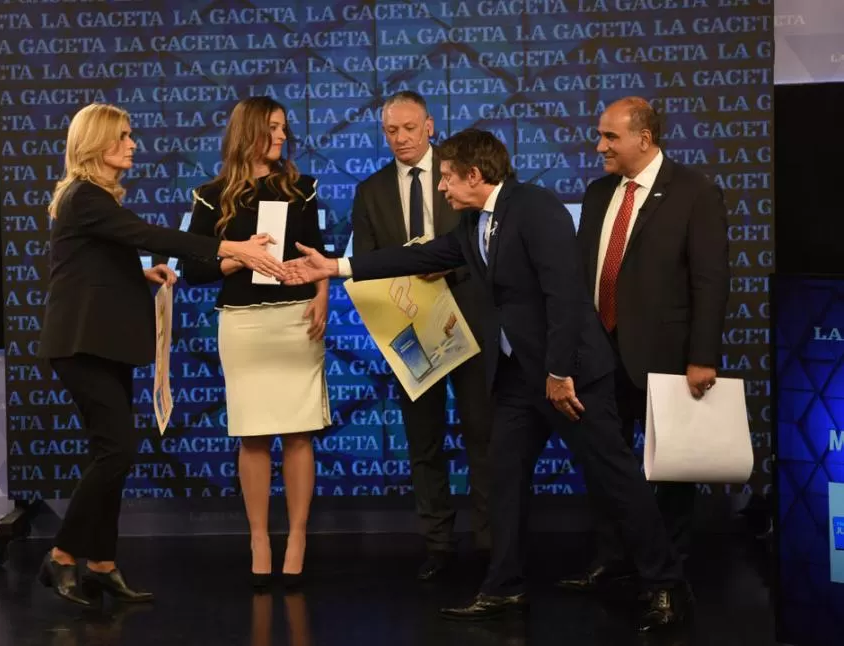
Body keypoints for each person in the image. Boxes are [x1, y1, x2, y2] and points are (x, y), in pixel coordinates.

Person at [282, 128, 688, 632]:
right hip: (518, 377)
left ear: (475, 175)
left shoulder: (535, 208)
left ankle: (665, 584)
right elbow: (422, 256)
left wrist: (560, 372)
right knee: (504, 477)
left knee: (617, 478)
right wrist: (337, 267)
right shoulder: (477, 221)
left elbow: (564, 296)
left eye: (448, 178)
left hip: (570, 373)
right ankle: (505, 587)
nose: (442, 188)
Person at [36, 102, 284, 606]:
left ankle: (102, 563)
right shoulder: (84, 197)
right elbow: (151, 236)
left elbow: (102, 259)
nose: (132, 144)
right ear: (96, 143)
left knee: (114, 454)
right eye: (123, 136)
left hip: (102, 344)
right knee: (117, 451)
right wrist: (232, 249)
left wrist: (140, 274)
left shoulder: (95, 200)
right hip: (81, 346)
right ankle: (62, 555)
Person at [558, 97, 730, 591]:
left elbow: (710, 281)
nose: (600, 146)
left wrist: (702, 357)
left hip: (667, 358)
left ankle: (668, 573)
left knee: (670, 469)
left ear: (644, 139)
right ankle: (613, 557)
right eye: (601, 136)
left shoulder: (694, 193)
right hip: (598, 354)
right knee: (605, 463)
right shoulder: (597, 194)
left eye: (610, 137)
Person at [182, 96, 330, 589]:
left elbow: (320, 255)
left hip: (295, 317)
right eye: (273, 127)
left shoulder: (302, 189)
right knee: (253, 433)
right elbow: (194, 269)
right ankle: (260, 539)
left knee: (298, 431)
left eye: (285, 127)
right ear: (249, 132)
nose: (283, 136)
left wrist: (324, 296)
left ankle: (299, 538)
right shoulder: (210, 195)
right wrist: (239, 259)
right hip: (243, 324)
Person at [351, 91, 491, 580]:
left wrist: (442, 267)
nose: (400, 139)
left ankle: (492, 543)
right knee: (424, 443)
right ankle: (438, 544)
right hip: (409, 328)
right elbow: (365, 264)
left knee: (483, 436)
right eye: (391, 130)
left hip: (470, 319)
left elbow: (482, 243)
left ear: (430, 126)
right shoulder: (370, 191)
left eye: (409, 128)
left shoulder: (463, 173)